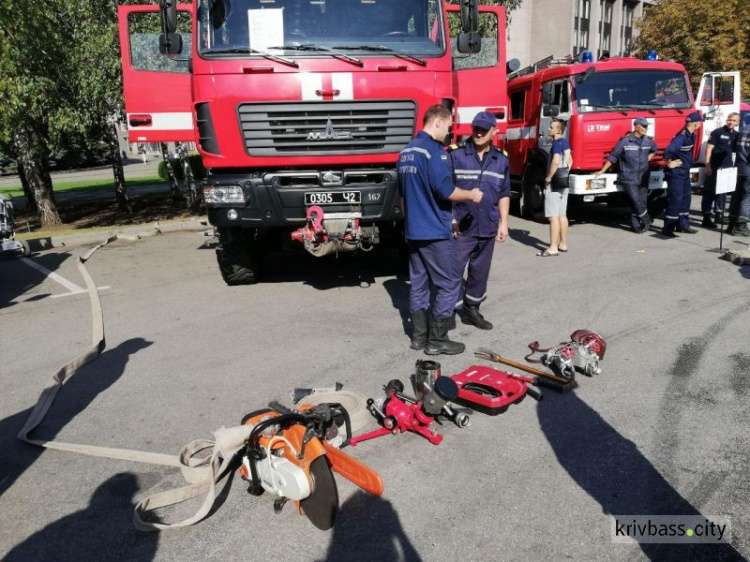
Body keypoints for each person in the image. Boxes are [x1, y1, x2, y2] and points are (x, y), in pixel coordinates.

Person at [398, 104, 483, 355]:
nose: (448, 133)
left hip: (414, 231)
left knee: (419, 284)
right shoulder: (434, 152)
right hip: (434, 231)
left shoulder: (405, 153)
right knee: (449, 283)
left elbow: (402, 198)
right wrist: (471, 195)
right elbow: (446, 191)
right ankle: (437, 339)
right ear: (437, 122)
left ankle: (418, 337)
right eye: (448, 127)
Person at [447, 111, 510, 330]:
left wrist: (503, 222)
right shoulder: (456, 155)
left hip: (488, 224)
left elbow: (504, 193)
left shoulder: (501, 160)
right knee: (453, 269)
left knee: (480, 271)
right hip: (461, 225)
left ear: (495, 131)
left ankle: (472, 310)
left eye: (484, 129)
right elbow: (444, 189)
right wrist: (450, 219)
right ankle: (449, 312)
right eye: (476, 128)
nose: (479, 132)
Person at [594, 117, 658, 233]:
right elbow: (613, 157)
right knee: (636, 200)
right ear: (636, 126)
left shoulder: (648, 141)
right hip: (629, 177)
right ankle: (646, 219)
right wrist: (602, 171)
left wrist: (647, 159)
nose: (646, 128)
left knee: (641, 201)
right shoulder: (625, 141)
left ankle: (637, 226)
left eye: (646, 126)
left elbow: (655, 149)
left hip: (644, 176)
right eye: (643, 126)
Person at [661, 112, 702, 237]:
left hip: (684, 173)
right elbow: (668, 150)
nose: (700, 124)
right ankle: (668, 228)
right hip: (676, 174)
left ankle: (682, 225)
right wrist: (669, 163)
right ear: (695, 123)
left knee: (685, 199)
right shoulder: (682, 136)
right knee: (675, 200)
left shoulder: (691, 135)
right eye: (699, 122)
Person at [538, 118, 572, 256]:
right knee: (562, 215)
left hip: (554, 184)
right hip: (564, 182)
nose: (548, 129)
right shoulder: (565, 142)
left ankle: (553, 248)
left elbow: (556, 160)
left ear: (558, 130)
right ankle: (563, 244)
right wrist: (564, 173)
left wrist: (549, 177)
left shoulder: (556, 144)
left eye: (551, 127)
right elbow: (570, 161)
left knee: (553, 217)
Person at [701, 112, 740, 228]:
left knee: (722, 193)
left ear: (737, 122)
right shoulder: (717, 132)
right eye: (729, 119)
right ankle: (706, 217)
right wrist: (707, 165)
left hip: (727, 168)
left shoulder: (736, 135)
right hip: (714, 167)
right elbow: (708, 149)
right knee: (710, 192)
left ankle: (719, 215)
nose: (731, 122)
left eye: (734, 120)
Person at [727, 124, 750, 237]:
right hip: (748, 169)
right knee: (747, 197)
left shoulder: (743, 130)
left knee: (736, 196)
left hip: (738, 168)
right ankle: (741, 225)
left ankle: (731, 224)